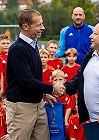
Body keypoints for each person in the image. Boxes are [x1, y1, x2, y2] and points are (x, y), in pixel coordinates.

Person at [5, 9, 60, 140]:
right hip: (21, 109)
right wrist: (52, 89)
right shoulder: (18, 49)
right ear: (25, 26)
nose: (43, 28)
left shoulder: (33, 45)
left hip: (38, 105)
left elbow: (34, 77)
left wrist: (43, 94)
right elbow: (27, 81)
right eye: (39, 25)